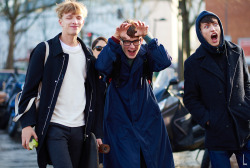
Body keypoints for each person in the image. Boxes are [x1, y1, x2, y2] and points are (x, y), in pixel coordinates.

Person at [18, 0, 103, 167]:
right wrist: (27, 125)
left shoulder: (88, 56)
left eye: (78, 18)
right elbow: (29, 90)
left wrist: (97, 132)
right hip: (55, 127)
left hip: (81, 129)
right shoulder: (45, 50)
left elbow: (96, 97)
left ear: (83, 22)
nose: (74, 22)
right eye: (69, 17)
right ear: (60, 21)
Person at [95, 20, 175, 168]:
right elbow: (100, 66)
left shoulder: (146, 53)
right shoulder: (114, 53)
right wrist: (115, 38)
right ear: (121, 41)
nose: (131, 46)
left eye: (135, 41)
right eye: (126, 42)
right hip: (119, 121)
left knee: (152, 161)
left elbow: (164, 62)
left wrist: (148, 37)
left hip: (148, 120)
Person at [183, 11, 250, 167]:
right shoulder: (193, 63)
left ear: (220, 27)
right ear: (200, 33)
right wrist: (208, 119)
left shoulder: (236, 52)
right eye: (206, 26)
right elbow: (190, 98)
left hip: (243, 130)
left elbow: (247, 84)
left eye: (215, 24)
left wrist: (246, 110)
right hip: (217, 133)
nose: (212, 29)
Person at [91, 36, 108, 165]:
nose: (101, 51)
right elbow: (96, 106)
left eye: (105, 49)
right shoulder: (88, 73)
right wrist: (98, 134)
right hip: (94, 131)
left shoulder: (111, 74)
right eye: (98, 48)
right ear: (92, 51)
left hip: (112, 129)